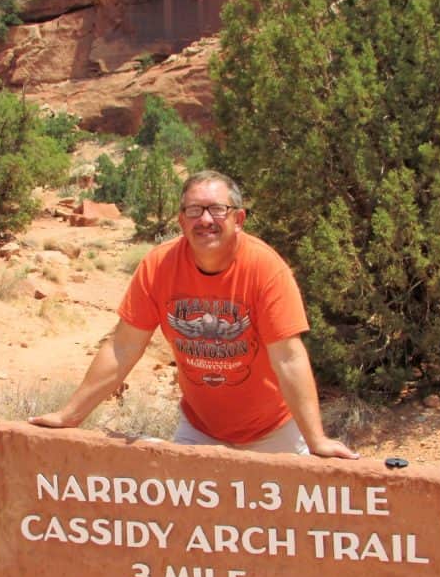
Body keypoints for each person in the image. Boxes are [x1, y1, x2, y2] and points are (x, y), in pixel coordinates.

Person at [30, 170, 359, 459]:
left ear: (238, 219)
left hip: (274, 433)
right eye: (194, 210)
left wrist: (316, 440)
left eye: (218, 209)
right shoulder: (159, 266)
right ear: (181, 220)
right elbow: (123, 347)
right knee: (188, 526)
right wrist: (70, 416)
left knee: (281, 528)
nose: (205, 220)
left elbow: (288, 357)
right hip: (200, 431)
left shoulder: (265, 269)